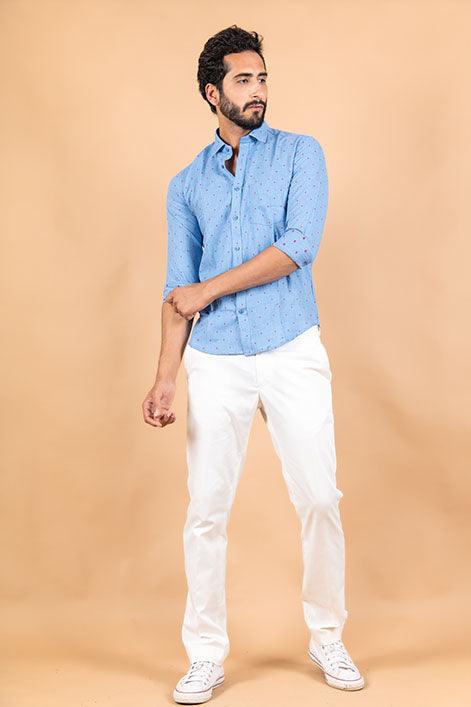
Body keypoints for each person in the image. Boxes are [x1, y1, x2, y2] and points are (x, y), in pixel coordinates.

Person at [142, 24, 365, 704]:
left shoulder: (301, 154)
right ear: (213, 93)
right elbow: (177, 288)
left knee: (319, 497)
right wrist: (163, 377)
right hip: (216, 361)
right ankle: (205, 654)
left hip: (291, 345)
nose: (258, 90)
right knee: (206, 511)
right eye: (243, 80)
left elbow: (298, 246)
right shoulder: (186, 185)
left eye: (262, 77)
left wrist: (207, 290)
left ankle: (327, 635)